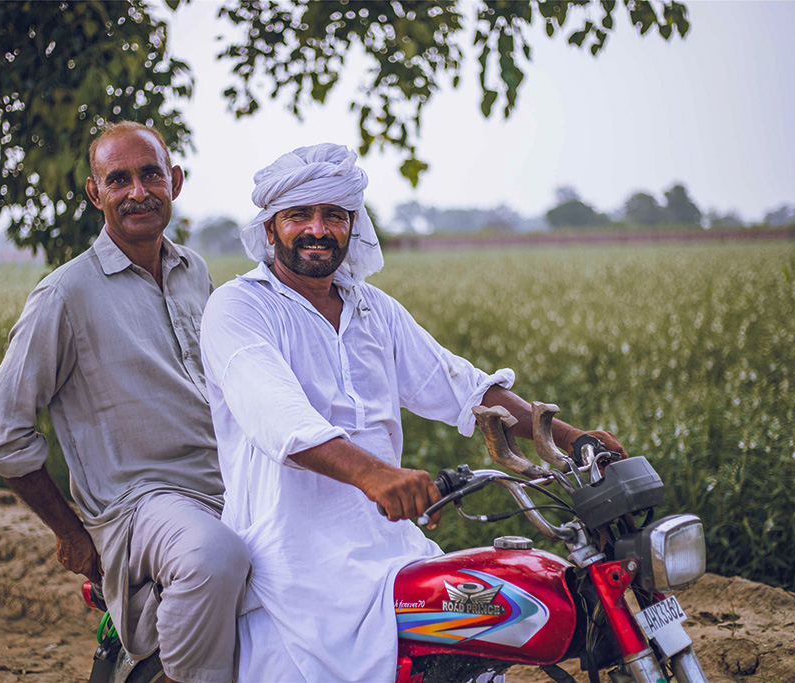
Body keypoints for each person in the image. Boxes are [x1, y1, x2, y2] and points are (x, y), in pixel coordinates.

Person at [199, 143, 626, 682]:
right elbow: (277, 416)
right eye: (299, 215)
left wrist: (570, 437)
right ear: (270, 228)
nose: (318, 229)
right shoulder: (240, 307)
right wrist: (375, 475)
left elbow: (463, 387)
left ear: (353, 225)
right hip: (295, 563)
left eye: (334, 215)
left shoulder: (373, 310)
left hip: (392, 548)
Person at [0, 121, 250, 683]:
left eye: (150, 175)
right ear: (95, 193)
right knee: (211, 558)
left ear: (174, 181)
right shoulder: (64, 294)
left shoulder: (193, 271)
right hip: (141, 503)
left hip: (231, 486)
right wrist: (71, 533)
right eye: (118, 179)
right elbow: (0, 429)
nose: (138, 192)